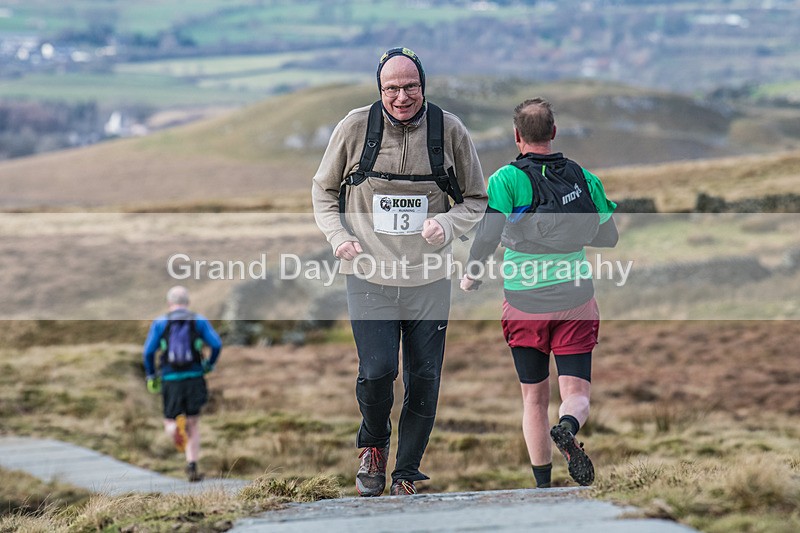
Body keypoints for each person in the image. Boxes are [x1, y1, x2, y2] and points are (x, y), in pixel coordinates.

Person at [312, 47, 487, 496]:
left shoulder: (448, 131)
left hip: (429, 277)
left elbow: (476, 199)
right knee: (377, 370)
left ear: (423, 86)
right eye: (392, 87)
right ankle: (372, 446)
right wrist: (339, 237)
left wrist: (446, 223)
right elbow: (323, 190)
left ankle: (406, 473)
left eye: (410, 86)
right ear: (380, 89)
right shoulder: (355, 127)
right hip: (369, 273)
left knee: (424, 378)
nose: (402, 96)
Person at [460, 98, 618, 488]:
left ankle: (543, 485)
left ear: (517, 136)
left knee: (533, 398)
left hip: (523, 303)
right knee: (576, 394)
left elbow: (488, 235)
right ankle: (567, 426)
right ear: (554, 132)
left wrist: (472, 274)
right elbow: (609, 236)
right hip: (576, 300)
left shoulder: (505, 180)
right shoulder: (583, 177)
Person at [143, 285, 222, 482]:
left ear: (170, 303)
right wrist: (209, 365)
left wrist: (152, 375)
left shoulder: (161, 323)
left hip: (170, 379)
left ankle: (175, 431)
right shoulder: (198, 320)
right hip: (195, 377)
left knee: (170, 420)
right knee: (193, 423)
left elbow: (148, 352)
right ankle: (192, 464)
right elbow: (216, 344)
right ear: (187, 302)